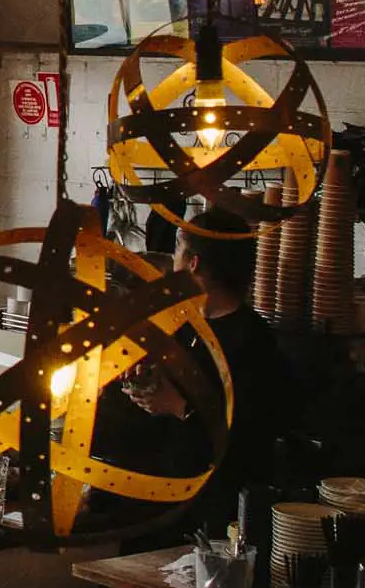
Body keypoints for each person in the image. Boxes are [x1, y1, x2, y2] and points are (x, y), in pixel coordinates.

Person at [86, 203, 301, 536]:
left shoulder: (252, 343)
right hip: (149, 489)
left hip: (203, 513)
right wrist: (140, 379)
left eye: (177, 250)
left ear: (194, 263)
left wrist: (178, 407)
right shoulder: (181, 325)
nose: (173, 260)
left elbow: (247, 442)